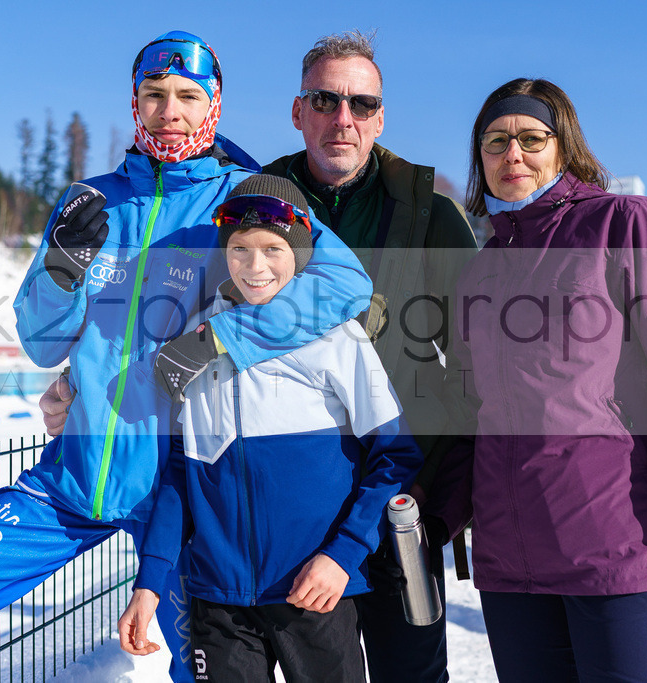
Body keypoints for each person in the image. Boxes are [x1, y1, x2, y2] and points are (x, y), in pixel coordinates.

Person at [0, 31, 371, 682]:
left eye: (186, 96)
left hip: (184, 491)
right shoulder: (88, 203)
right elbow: (42, 343)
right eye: (153, 95)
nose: (169, 111)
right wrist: (62, 274)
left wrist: (221, 340)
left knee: (198, 668)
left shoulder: (246, 195)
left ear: (214, 106)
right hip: (78, 472)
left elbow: (346, 283)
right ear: (134, 103)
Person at [42, 31, 477, 682]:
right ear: (298, 110)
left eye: (361, 103)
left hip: (393, 507)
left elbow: (473, 367)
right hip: (268, 543)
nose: (343, 117)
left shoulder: (432, 218)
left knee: (410, 672)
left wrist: (449, 496)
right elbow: (154, 301)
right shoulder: (253, 197)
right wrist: (85, 374)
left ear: (381, 116)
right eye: (325, 99)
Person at [428, 79, 647, 681]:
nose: (511, 154)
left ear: (563, 147)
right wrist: (439, 517)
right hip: (511, 571)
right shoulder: (480, 269)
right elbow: (472, 416)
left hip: (621, 559)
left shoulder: (623, 224)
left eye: (530, 138)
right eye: (494, 141)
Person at [118, 174, 423, 682]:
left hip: (314, 589)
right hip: (217, 599)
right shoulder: (197, 341)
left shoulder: (337, 337)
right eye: (239, 249)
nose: (254, 266)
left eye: (272, 249)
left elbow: (396, 455)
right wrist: (150, 581)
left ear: (299, 253)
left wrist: (343, 556)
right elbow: (180, 476)